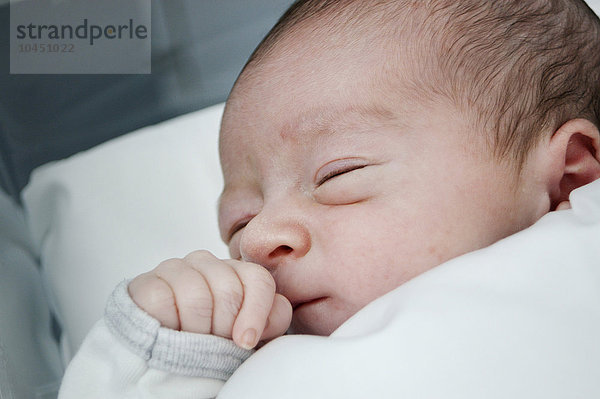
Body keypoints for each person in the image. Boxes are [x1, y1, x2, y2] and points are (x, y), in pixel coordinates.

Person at [59, 0, 600, 397]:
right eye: (237, 223)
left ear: (571, 180)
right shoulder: (240, 367)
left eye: (338, 175)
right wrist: (157, 356)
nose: (258, 240)